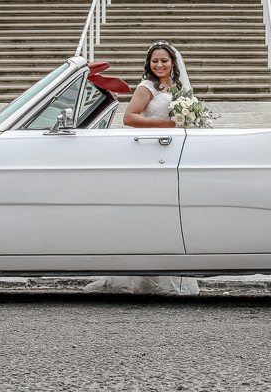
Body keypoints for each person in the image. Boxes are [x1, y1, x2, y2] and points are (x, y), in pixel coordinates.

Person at [84, 41, 200, 296]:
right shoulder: (146, 88)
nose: (159, 65)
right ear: (149, 63)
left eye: (164, 60)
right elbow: (129, 117)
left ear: (173, 63)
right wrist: (163, 124)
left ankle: (168, 274)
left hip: (172, 154)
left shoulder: (178, 88)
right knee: (153, 215)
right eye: (155, 60)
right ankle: (141, 276)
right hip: (151, 155)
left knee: (169, 216)